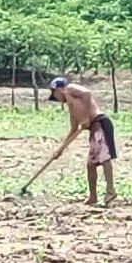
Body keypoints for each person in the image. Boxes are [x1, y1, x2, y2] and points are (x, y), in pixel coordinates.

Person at [48, 77, 117, 206]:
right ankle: (93, 197)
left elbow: (87, 93)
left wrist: (86, 117)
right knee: (91, 165)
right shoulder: (72, 108)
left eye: (54, 94)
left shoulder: (69, 89)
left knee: (104, 158)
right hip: (94, 129)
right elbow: (73, 129)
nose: (56, 98)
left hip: (100, 124)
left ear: (58, 90)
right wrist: (60, 150)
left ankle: (110, 191)